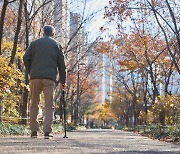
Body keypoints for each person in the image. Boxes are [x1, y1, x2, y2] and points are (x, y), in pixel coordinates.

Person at [23, 25, 66, 139]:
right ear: (53, 34)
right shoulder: (57, 45)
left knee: (34, 104)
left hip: (34, 77)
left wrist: (31, 70)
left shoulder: (34, 43)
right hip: (49, 78)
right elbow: (62, 65)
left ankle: (34, 131)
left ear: (43, 33)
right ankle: (47, 132)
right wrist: (63, 81)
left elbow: (26, 58)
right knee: (49, 105)